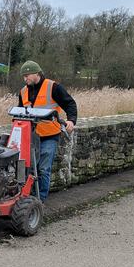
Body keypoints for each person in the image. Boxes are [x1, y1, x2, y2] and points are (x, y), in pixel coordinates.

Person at [17, 60, 77, 202]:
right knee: (29, 169)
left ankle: (40, 200)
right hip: (30, 136)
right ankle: (28, 199)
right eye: (23, 76)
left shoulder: (53, 87)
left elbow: (70, 103)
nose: (25, 79)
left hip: (50, 135)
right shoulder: (23, 92)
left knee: (43, 169)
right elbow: (19, 112)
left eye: (27, 76)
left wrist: (71, 120)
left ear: (36, 73)